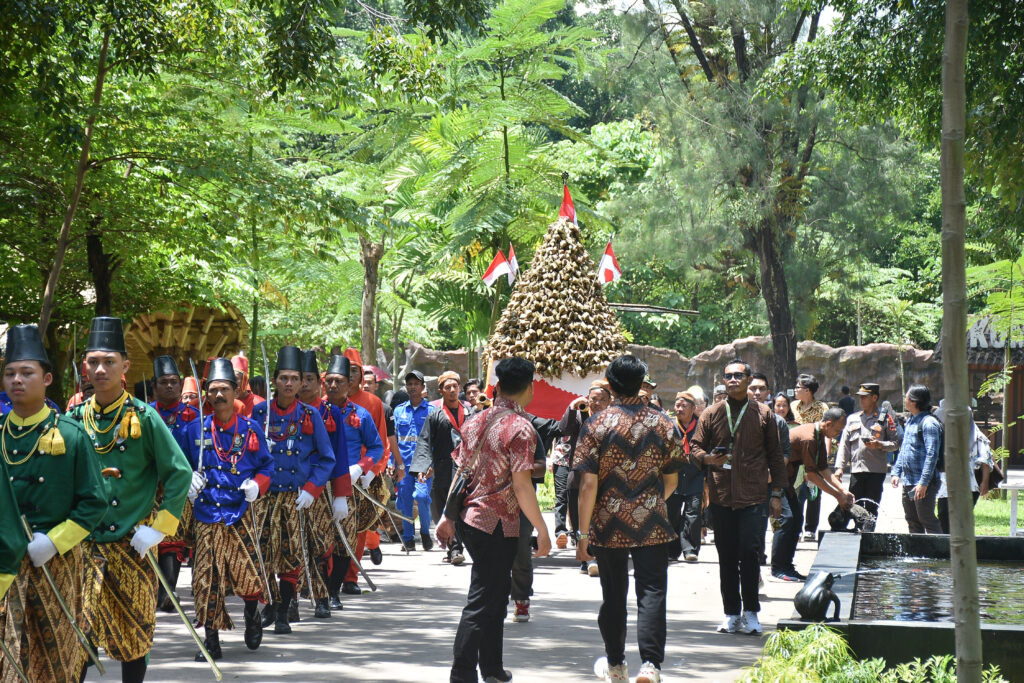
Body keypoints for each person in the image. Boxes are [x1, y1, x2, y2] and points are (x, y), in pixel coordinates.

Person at [68, 316, 192, 683]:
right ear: (85, 367)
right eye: (93, 362)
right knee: (80, 635)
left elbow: (179, 473)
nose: (100, 369)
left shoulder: (145, 417)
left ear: (125, 365)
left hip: (132, 544)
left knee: (134, 635)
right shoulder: (74, 420)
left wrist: (159, 529)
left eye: (109, 361)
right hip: (85, 546)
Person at [0, 324, 108, 683]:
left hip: (54, 566)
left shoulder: (72, 436)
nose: (17, 380)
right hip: (5, 566)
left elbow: (94, 503)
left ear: (47, 379)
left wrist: (54, 541)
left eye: (26, 373)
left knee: (55, 661)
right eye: (10, 373)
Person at [438, 357, 551, 683]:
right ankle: (462, 673)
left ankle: (491, 667)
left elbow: (460, 470)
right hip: (497, 524)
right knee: (483, 597)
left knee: (496, 593)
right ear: (529, 388)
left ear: (497, 386)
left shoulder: (474, 421)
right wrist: (542, 530)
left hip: (470, 520)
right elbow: (521, 483)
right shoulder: (521, 428)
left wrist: (447, 516)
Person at [575, 356, 684, 683]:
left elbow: (588, 484)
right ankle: (650, 666)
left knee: (613, 594)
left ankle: (617, 666)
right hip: (652, 522)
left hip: (608, 525)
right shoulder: (664, 423)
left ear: (609, 384)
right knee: (652, 592)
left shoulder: (596, 424)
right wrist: (649, 503)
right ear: (641, 383)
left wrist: (582, 536)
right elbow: (672, 479)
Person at [184, 358, 273, 660]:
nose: (218, 395)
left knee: (248, 577)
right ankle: (211, 640)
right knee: (206, 580)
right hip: (206, 514)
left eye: (224, 389)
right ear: (206, 394)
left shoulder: (250, 429)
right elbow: (174, 464)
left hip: (240, 513)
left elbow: (267, 465)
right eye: (213, 390)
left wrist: (257, 485)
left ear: (236, 391)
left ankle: (251, 615)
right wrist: (187, 479)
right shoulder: (194, 429)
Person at [692, 359, 785, 636]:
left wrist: (777, 493)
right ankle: (731, 613)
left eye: (738, 375)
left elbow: (776, 456)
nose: (733, 380)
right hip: (721, 495)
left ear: (747, 380)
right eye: (728, 376)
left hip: (754, 495)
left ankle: (752, 613)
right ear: (723, 380)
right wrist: (707, 458)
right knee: (727, 557)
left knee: (749, 553)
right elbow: (694, 446)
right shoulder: (711, 413)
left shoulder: (764, 414)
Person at [250, 346, 336, 633]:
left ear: (301, 383)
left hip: (295, 498)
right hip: (264, 497)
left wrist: (312, 489)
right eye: (283, 378)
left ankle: (284, 611)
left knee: (291, 555)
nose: (288, 383)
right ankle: (271, 603)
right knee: (262, 554)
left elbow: (327, 459)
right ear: (275, 380)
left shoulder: (311, 415)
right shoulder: (259, 413)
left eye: (294, 378)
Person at [322, 354, 382, 599]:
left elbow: (377, 447)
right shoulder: (314, 412)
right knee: (319, 540)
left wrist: (361, 467)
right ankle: (321, 590)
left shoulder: (362, 415)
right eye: (330, 381)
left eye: (340, 381)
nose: (334, 386)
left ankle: (335, 589)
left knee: (344, 540)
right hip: (316, 485)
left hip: (347, 486)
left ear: (349, 384)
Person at [772, 408, 854, 582]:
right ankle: (778, 567)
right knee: (787, 519)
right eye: (838, 431)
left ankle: (787, 565)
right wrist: (837, 496)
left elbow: (823, 469)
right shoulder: (809, 438)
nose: (838, 435)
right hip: (773, 480)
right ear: (828, 424)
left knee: (797, 519)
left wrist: (843, 490)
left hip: (785, 480)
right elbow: (811, 476)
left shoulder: (819, 435)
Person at [148, 354, 198, 612]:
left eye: (174, 382)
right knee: (153, 537)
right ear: (154, 386)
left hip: (179, 487)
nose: (170, 386)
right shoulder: (144, 414)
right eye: (164, 382)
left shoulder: (193, 416)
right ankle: (156, 590)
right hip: (149, 488)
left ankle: (169, 591)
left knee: (173, 538)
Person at [411, 370, 470, 564]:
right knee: (442, 507)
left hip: (467, 470)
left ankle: (457, 548)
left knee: (462, 508)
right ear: (441, 391)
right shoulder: (435, 416)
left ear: (460, 388)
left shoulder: (472, 413)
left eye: (455, 386)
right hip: (444, 468)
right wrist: (423, 466)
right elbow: (425, 442)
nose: (452, 390)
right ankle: (454, 547)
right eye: (448, 388)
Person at [343, 352, 392, 573]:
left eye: (354, 370)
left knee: (359, 526)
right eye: (346, 370)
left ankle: (352, 575)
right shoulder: (326, 403)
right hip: (333, 474)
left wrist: (372, 471)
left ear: (361, 375)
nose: (350, 375)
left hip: (364, 475)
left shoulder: (373, 402)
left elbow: (381, 441)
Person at [553, 380, 612, 560]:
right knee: (579, 520)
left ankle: (598, 555)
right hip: (578, 476)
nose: (597, 403)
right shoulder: (579, 415)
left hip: (605, 477)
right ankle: (585, 557)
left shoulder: (614, 419)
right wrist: (571, 408)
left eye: (602, 399)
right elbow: (563, 429)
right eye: (594, 399)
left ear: (609, 401)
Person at [833, 383, 900, 525]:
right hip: (857, 470)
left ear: (874, 398)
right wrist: (839, 467)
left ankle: (867, 536)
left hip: (875, 471)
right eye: (860, 397)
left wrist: (880, 445)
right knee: (851, 504)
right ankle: (845, 532)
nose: (861, 400)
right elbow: (844, 445)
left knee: (871, 507)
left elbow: (896, 443)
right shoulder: (853, 418)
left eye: (865, 397)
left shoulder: (885, 419)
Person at [934, 400, 994, 533]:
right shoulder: (940, 434)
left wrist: (984, 482)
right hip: (945, 483)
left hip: (968, 483)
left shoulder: (977, 436)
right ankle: (946, 547)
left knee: (962, 518)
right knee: (944, 514)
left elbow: (985, 460)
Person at [891, 385, 943, 534]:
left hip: (923, 483)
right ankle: (918, 554)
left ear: (914, 401)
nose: (904, 400)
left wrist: (923, 482)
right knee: (912, 520)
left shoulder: (929, 423)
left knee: (927, 519)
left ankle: (940, 554)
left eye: (906, 398)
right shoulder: (911, 421)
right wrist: (896, 472)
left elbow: (932, 455)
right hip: (909, 481)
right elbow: (905, 449)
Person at [393, 370, 435, 551]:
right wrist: (391, 463)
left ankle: (425, 532)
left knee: (422, 496)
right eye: (409, 384)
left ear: (423, 387)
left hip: (424, 464)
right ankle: (408, 538)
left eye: (416, 384)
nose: (412, 387)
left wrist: (432, 464)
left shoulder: (433, 412)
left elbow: (436, 441)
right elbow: (392, 439)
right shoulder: (399, 410)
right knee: (404, 501)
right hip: (403, 463)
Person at [792, 373, 828, 542]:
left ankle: (810, 529)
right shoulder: (793, 406)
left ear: (807, 390)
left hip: (815, 455)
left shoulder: (822, 408)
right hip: (795, 457)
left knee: (814, 492)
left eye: (798, 387)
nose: (795, 389)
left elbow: (827, 434)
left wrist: (825, 459)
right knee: (797, 492)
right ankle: (795, 528)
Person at [666, 391, 701, 563]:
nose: (679, 409)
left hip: (695, 475)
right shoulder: (669, 425)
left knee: (693, 513)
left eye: (684, 406)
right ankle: (672, 550)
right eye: (677, 405)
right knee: (672, 513)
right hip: (673, 476)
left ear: (693, 408)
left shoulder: (701, 426)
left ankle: (690, 549)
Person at [232, 352, 265, 417]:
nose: (232, 383)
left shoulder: (260, 403)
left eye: (235, 379)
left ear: (246, 381)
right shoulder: (224, 402)